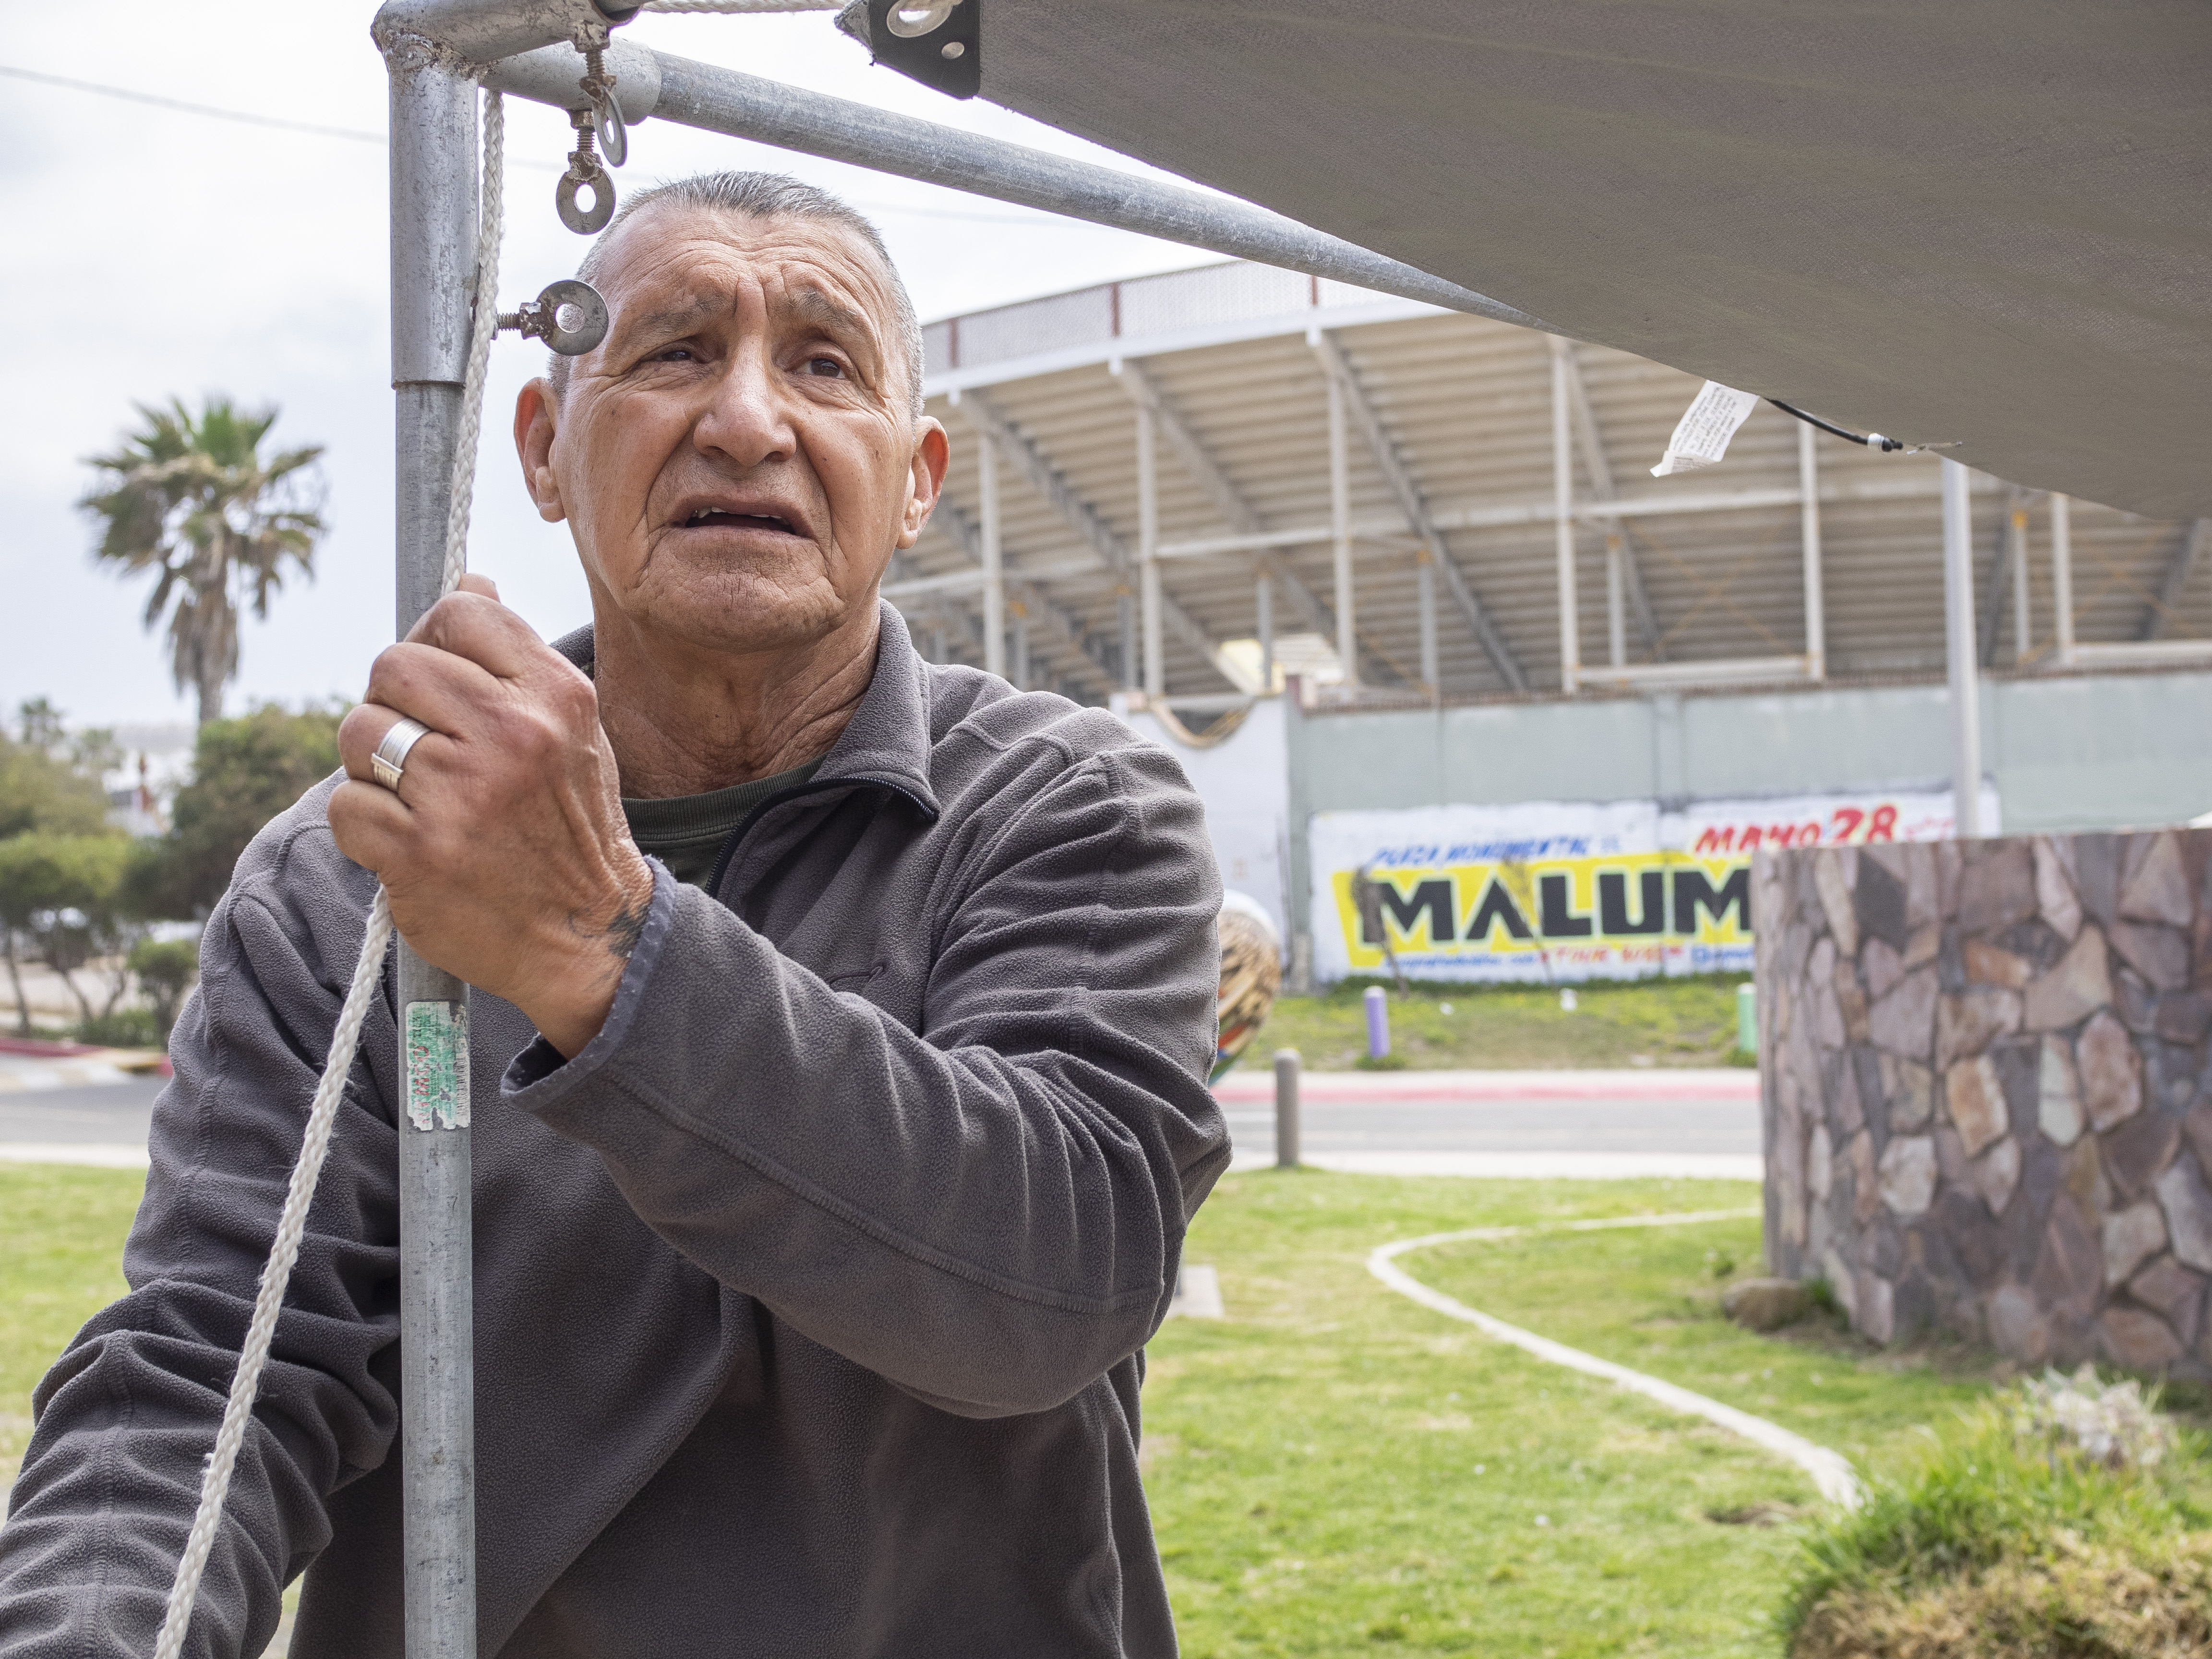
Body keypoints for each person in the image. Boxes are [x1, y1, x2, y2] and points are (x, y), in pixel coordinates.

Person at [0, 171, 1228, 1658]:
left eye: (824, 364)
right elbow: (216, 1370)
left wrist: (601, 946)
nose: (750, 421)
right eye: (672, 351)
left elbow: (1057, 1280)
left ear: (916, 480)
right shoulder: (343, 880)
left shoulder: (1069, 809)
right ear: (542, 446)